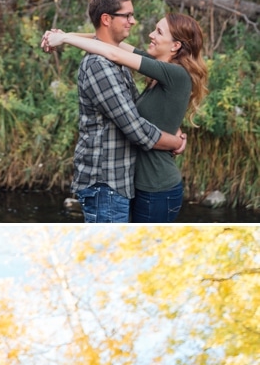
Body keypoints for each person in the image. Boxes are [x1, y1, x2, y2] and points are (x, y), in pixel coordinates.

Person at [42, 12, 207, 223]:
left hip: (156, 189)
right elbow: (111, 44)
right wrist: (63, 35)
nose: (150, 35)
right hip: (141, 186)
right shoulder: (159, 69)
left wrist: (64, 39)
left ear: (175, 46)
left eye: (158, 32)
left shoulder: (176, 74)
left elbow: (113, 54)